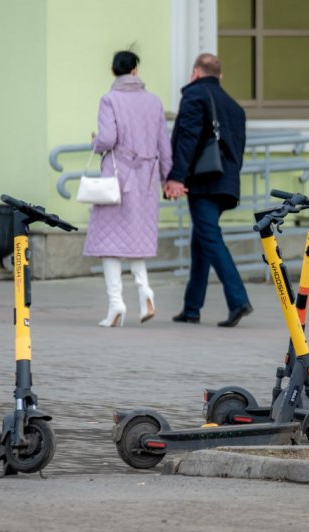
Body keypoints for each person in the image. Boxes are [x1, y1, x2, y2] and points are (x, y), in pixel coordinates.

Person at [83, 50, 172, 328]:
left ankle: (116, 304)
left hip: (117, 180)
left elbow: (109, 138)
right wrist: (166, 178)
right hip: (146, 179)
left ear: (114, 72)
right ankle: (145, 291)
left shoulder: (110, 99)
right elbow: (164, 146)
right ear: (135, 71)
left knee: (109, 243)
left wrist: (95, 142)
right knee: (136, 239)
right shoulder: (154, 102)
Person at [164, 53, 253, 327]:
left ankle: (238, 300)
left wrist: (177, 177)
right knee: (201, 239)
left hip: (204, 181)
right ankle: (192, 308)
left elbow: (188, 138)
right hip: (226, 182)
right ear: (220, 76)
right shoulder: (235, 107)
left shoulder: (195, 96)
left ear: (195, 73)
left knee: (210, 238)